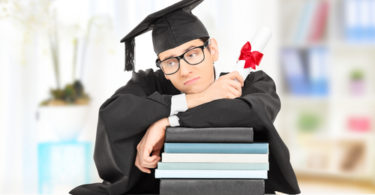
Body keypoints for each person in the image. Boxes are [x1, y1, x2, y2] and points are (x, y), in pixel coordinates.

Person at [70, 0, 300, 194]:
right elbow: (114, 113)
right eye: (170, 61)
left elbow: (252, 112)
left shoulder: (250, 83)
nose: (184, 70)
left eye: (192, 53)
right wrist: (196, 99)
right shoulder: (151, 82)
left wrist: (168, 122)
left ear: (213, 50)